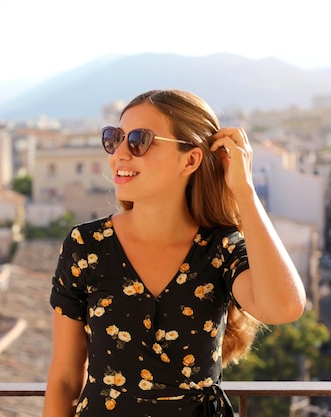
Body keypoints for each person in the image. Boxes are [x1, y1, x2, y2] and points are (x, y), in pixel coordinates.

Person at [42, 89, 306, 417]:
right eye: (115, 138)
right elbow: (65, 380)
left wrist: (244, 191)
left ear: (190, 159)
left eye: (139, 140)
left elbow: (284, 307)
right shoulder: (87, 246)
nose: (119, 154)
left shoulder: (220, 249)